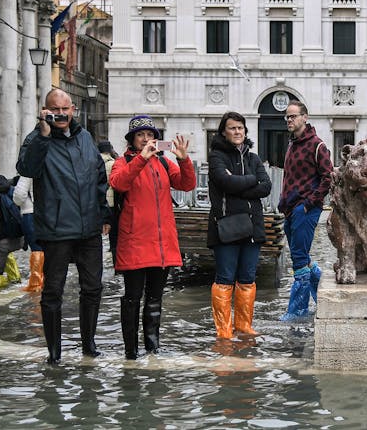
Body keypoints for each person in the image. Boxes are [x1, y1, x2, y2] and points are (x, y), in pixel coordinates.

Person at [17, 88, 110, 364]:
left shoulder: (85, 138)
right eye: (54, 109)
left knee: (93, 287)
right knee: (53, 291)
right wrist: (43, 136)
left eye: (65, 109)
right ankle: (54, 352)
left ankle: (88, 344)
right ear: (45, 110)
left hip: (89, 227)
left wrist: (104, 214)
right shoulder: (36, 138)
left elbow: (99, 177)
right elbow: (27, 169)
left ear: (73, 110)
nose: (60, 114)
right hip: (56, 228)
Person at [110, 115, 196, 359]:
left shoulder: (165, 164)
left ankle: (152, 347)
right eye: (141, 135)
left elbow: (187, 184)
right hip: (135, 242)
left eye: (150, 135)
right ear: (132, 140)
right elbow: (119, 183)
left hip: (162, 244)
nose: (146, 139)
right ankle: (130, 350)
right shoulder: (122, 162)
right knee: (132, 298)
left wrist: (183, 159)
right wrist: (141, 159)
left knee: (155, 298)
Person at [207, 112, 272, 338]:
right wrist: (252, 180)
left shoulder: (253, 158)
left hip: (253, 227)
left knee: (247, 278)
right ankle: (224, 331)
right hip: (226, 226)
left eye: (240, 128)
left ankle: (244, 325)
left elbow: (267, 186)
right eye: (232, 128)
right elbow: (225, 182)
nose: (237, 132)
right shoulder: (216, 157)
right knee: (225, 278)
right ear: (224, 132)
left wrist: (238, 184)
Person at [278, 100, 333, 321]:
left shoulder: (317, 145)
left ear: (305, 117)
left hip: (305, 210)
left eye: (293, 116)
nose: (289, 120)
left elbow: (328, 177)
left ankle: (297, 313)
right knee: (302, 256)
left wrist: (308, 204)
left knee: (299, 260)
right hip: (291, 209)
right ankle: (324, 298)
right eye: (287, 117)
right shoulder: (292, 144)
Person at [13, 175, 44, 292]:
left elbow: (19, 196)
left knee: (37, 248)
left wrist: (25, 204)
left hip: (31, 213)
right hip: (52, 213)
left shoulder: (29, 169)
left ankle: (36, 284)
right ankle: (48, 280)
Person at [99, 141, 119, 259]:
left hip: (98, 201)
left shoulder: (93, 162)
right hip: (111, 203)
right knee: (114, 234)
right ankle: (116, 260)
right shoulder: (114, 164)